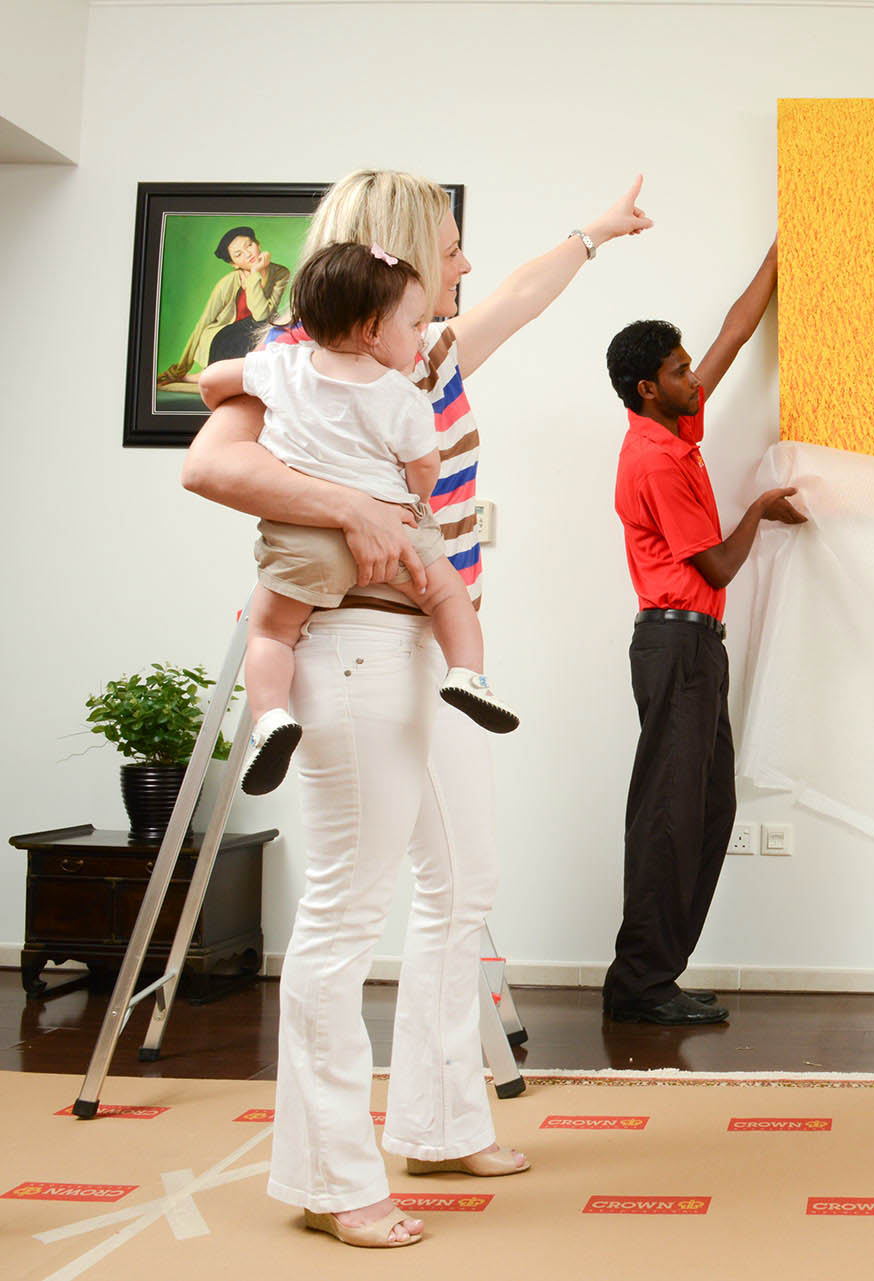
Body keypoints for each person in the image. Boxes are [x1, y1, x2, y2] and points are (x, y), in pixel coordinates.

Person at [181, 168, 653, 1248]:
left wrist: (595, 232)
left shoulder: (420, 356)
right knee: (347, 909)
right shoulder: (295, 362)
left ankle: (438, 1121)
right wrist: (355, 505)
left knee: (463, 883)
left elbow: (521, 294)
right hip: (347, 645)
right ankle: (330, 1175)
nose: (467, 262)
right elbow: (212, 467)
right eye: (450, 245)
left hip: (426, 652)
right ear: (394, 255)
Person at [199, 242, 519, 798]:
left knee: (273, 630)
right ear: (373, 330)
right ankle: (468, 674)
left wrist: (241, 391)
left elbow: (212, 382)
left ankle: (271, 718)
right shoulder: (402, 394)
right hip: (396, 529)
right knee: (448, 597)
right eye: (415, 324)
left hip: (305, 538)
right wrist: (411, 491)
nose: (423, 334)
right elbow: (424, 471)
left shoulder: (282, 365)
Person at [601, 242, 805, 1027]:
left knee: (707, 808)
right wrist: (760, 508)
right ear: (648, 388)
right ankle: (641, 983)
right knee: (669, 813)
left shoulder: (673, 424)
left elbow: (731, 335)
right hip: (676, 644)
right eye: (682, 373)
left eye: (690, 369)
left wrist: (778, 256)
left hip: (693, 648)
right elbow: (717, 566)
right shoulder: (655, 459)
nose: (697, 380)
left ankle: (658, 973)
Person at [158, 226, 292, 386]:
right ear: (234, 263)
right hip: (226, 336)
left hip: (259, 332)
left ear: (258, 244)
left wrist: (254, 275)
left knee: (271, 329)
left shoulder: (280, 273)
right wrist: (182, 366)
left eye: (249, 245)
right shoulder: (227, 283)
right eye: (238, 254)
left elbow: (262, 315)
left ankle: (211, 377)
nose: (248, 254)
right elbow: (204, 321)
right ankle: (207, 375)